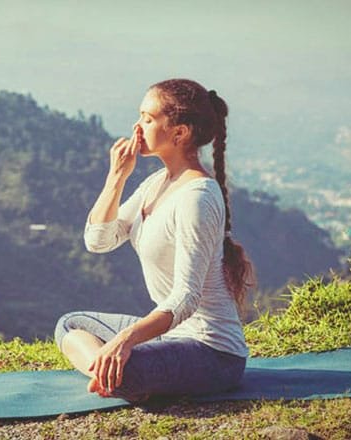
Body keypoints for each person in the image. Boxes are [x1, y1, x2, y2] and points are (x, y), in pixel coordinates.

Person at [54, 78, 255, 403]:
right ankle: (108, 374)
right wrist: (116, 177)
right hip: (171, 337)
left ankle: (113, 375)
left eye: (148, 119)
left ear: (180, 133)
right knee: (70, 324)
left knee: (126, 368)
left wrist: (125, 341)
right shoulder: (156, 183)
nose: (137, 127)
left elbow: (185, 298)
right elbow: (98, 241)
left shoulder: (197, 198)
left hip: (213, 353)